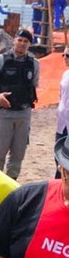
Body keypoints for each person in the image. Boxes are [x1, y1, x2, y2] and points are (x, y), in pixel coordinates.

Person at [0, 28, 40, 180]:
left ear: (30, 44)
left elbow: (33, 85)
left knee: (18, 155)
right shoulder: (1, 60)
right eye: (19, 40)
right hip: (4, 114)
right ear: (14, 40)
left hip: (24, 114)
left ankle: (11, 188)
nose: (22, 44)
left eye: (26, 42)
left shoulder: (34, 64)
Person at [57, 45, 69, 177]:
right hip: (62, 125)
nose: (65, 58)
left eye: (68, 56)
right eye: (63, 55)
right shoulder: (65, 74)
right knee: (58, 158)